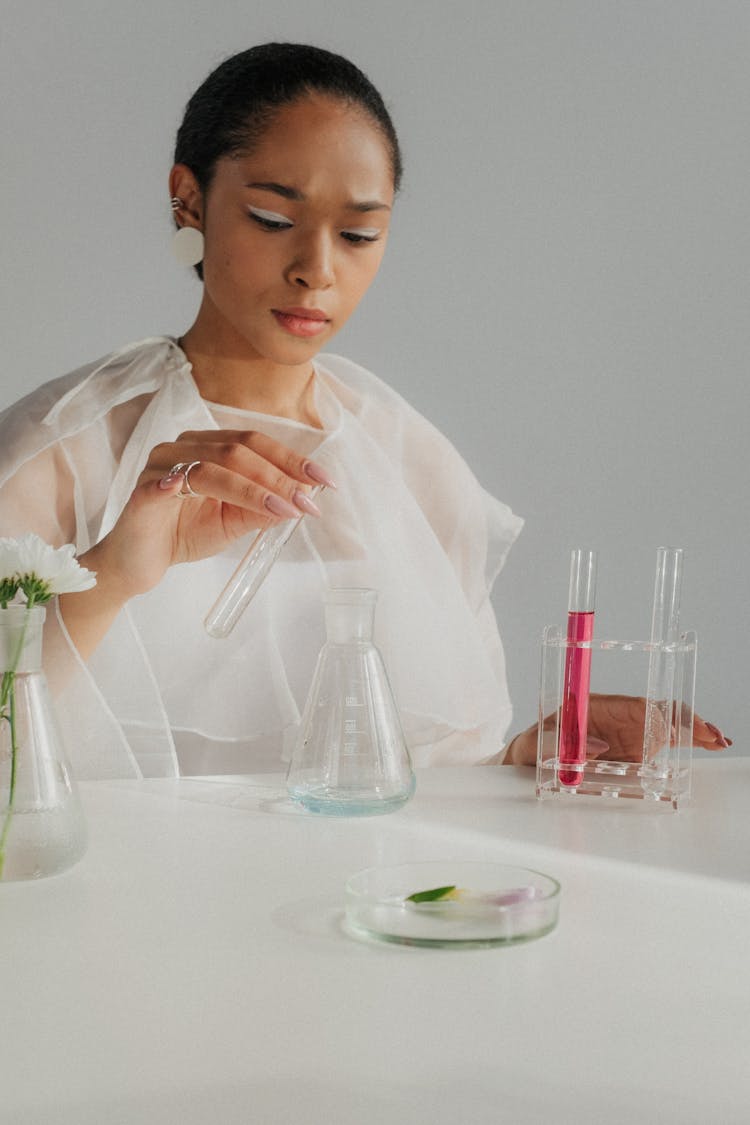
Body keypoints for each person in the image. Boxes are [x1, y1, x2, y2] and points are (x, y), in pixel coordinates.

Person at [0, 43, 730, 780]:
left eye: (358, 235)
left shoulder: (405, 455)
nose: (317, 269)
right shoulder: (60, 450)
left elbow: (434, 770)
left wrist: (526, 753)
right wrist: (109, 577)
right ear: (188, 199)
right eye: (272, 217)